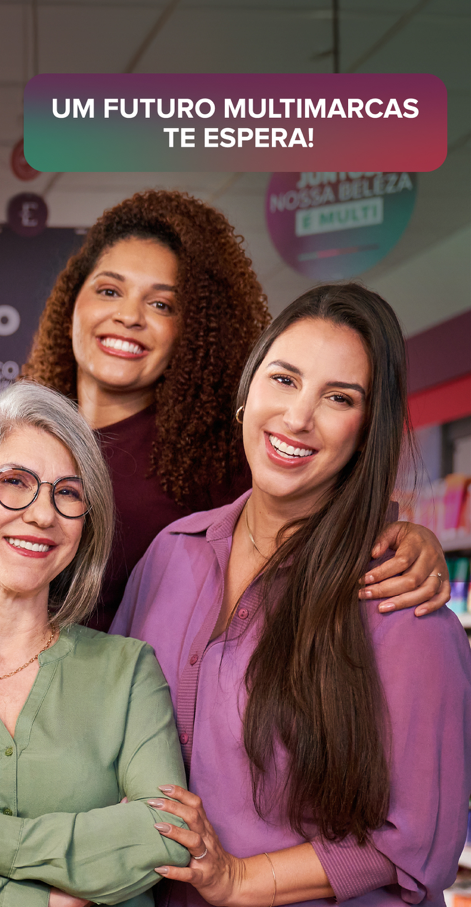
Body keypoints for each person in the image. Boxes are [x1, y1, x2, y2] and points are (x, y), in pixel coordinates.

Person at [111, 283, 471, 907]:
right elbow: (104, 731)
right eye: (283, 379)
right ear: (248, 390)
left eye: (338, 397)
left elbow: (421, 840)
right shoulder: (173, 552)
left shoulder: (397, 600)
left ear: (366, 431)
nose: (298, 417)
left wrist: (242, 879)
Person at [23, 190, 450, 629]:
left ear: (195, 328)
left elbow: (318, 512)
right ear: (72, 299)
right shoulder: (22, 432)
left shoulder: (215, 456)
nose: (129, 315)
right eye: (109, 290)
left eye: (161, 304)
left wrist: (402, 540)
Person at [0, 381, 190, 907]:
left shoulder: (127, 671)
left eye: (67, 492)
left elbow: (167, 835)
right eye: (15, 482)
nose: (42, 515)